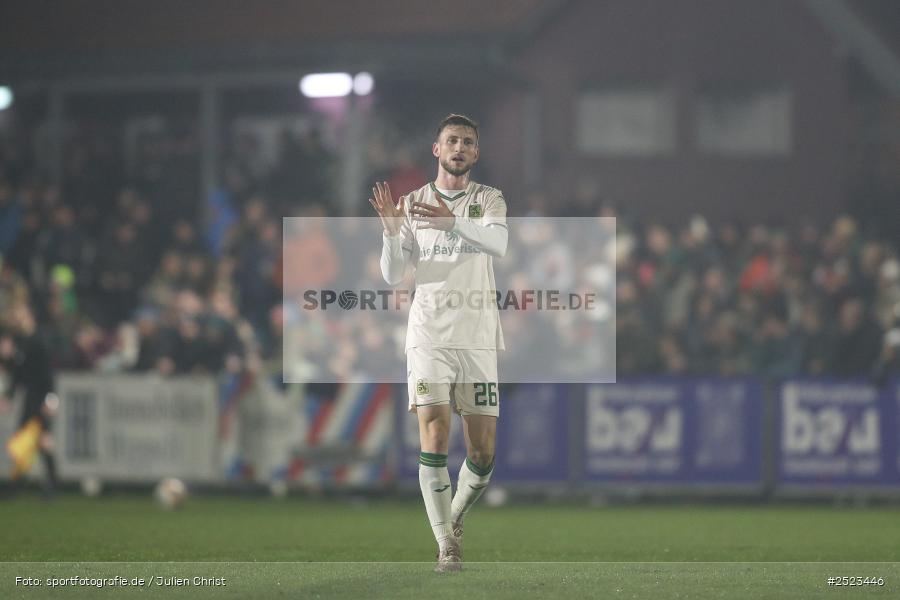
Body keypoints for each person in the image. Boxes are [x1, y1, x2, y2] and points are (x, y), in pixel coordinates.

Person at [369, 114, 508, 572]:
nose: (460, 147)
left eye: (468, 141)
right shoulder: (411, 204)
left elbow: (498, 244)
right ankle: (446, 542)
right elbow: (393, 275)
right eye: (452, 140)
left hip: (478, 336)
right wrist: (392, 234)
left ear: (476, 153)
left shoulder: (488, 199)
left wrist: (451, 223)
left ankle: (453, 517)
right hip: (429, 333)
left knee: (483, 453)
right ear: (436, 149)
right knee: (434, 431)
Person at [1, 304, 59, 497]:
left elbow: (47, 374)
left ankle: (49, 485)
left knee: (43, 440)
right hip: (30, 398)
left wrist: (51, 399)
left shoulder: (38, 340)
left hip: (41, 397)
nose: (17, 319)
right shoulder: (20, 341)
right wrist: (8, 396)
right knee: (27, 441)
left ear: (29, 317)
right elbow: (18, 374)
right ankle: (20, 485)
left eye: (20, 315)